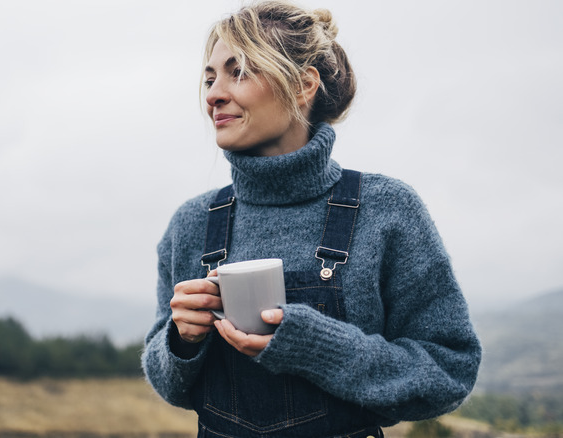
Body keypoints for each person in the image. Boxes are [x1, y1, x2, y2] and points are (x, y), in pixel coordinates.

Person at [141, 1, 481, 437]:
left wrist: (317, 348)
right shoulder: (191, 223)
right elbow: (168, 383)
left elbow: (448, 372)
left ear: (303, 86)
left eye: (238, 71)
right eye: (209, 78)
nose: (213, 94)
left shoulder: (387, 210)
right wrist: (180, 340)